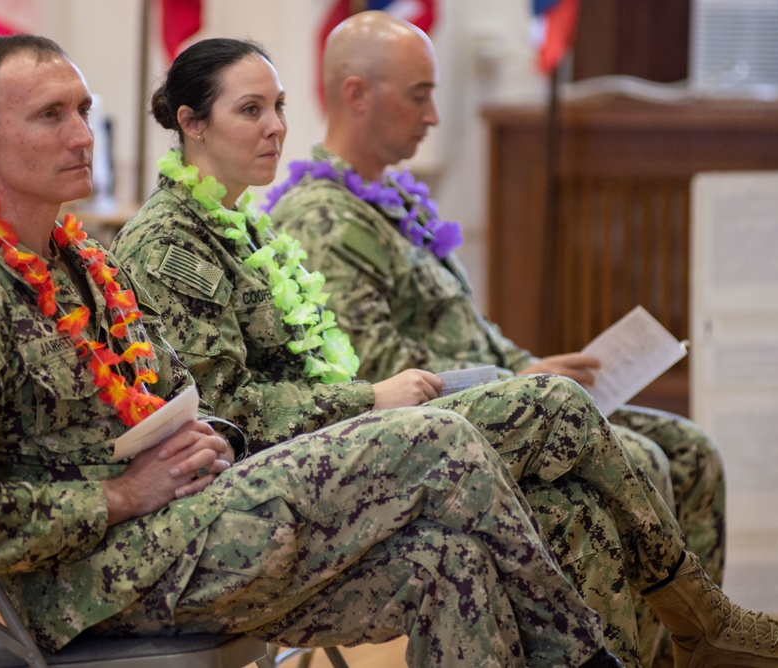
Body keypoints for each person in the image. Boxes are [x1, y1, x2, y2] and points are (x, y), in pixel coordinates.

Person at [0, 34, 628, 668]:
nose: (80, 135)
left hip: (187, 521)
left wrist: (210, 444)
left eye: (83, 111)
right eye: (49, 116)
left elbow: (199, 401)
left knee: (449, 563)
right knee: (436, 437)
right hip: (92, 579)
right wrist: (118, 496)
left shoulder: (90, 268)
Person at [109, 34, 778, 668]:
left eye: (277, 106)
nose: (275, 126)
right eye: (250, 110)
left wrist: (484, 370)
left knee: (576, 502)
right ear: (191, 123)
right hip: (270, 481)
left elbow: (346, 353)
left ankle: (682, 641)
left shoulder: (245, 227)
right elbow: (231, 411)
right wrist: (367, 399)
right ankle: (708, 621)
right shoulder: (173, 243)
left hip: (342, 439)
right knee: (559, 410)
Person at [265, 11, 721, 666]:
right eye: (419, 94)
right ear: (356, 94)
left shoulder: (394, 197)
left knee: (690, 450)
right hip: (431, 448)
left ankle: (689, 653)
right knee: (640, 462)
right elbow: (383, 377)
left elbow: (466, 331)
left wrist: (530, 365)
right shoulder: (321, 219)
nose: (434, 116)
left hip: (503, 410)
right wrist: (521, 385)